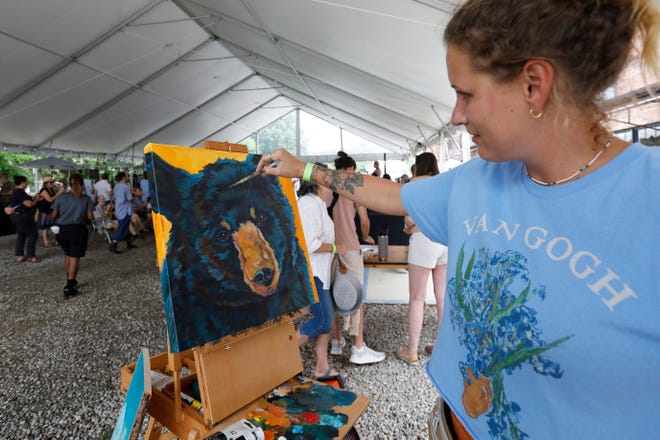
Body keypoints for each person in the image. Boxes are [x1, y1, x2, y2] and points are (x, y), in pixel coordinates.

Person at [256, 1, 659, 438]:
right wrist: (308, 171)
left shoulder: (647, 200)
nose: (455, 115)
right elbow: (391, 195)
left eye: (465, 94)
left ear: (534, 85)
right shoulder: (478, 178)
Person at [329, 151, 385, 365]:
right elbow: (364, 220)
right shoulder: (353, 189)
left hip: (331, 249)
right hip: (350, 248)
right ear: (351, 169)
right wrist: (366, 236)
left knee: (335, 293)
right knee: (357, 295)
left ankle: (336, 340)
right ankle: (358, 347)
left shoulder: (329, 190)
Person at [296, 164, 348, 381]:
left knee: (326, 317)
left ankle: (322, 367)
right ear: (319, 184)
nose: (333, 190)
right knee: (324, 320)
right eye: (330, 184)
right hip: (313, 273)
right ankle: (279, 354)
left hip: (320, 273)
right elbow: (310, 244)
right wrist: (337, 248)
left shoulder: (316, 204)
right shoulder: (309, 204)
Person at [396, 152, 448, 366]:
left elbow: (409, 218)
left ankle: (412, 351)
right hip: (444, 240)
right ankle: (442, 348)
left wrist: (408, 227)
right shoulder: (443, 183)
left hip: (423, 240)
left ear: (416, 167)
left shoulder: (413, 185)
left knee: (417, 297)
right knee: (442, 295)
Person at [51, 173, 94, 298]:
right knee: (75, 257)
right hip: (77, 230)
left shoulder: (62, 197)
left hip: (62, 230)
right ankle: (69, 286)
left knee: (68, 254)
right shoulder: (86, 199)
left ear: (69, 183)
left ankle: (70, 278)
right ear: (82, 183)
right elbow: (90, 217)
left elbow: (53, 215)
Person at [8, 175, 41, 263]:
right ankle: (31, 256)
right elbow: (29, 204)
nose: (27, 183)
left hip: (17, 216)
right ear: (22, 183)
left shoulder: (16, 191)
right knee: (33, 234)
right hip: (23, 216)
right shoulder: (20, 192)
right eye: (26, 182)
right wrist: (36, 199)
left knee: (21, 234)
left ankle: (20, 255)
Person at [109, 172, 134, 254]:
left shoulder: (116, 186)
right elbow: (129, 199)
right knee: (123, 227)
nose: (127, 177)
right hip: (125, 210)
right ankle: (114, 243)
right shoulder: (125, 187)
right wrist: (132, 193)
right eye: (126, 176)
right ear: (124, 178)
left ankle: (129, 243)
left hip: (119, 209)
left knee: (125, 227)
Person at [36, 176, 64, 247]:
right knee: (45, 227)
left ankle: (57, 240)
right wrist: (59, 193)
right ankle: (46, 242)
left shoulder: (51, 189)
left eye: (53, 182)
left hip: (51, 210)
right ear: (46, 183)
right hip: (45, 211)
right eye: (51, 182)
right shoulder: (44, 190)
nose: (52, 183)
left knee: (55, 225)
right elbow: (50, 200)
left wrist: (60, 188)